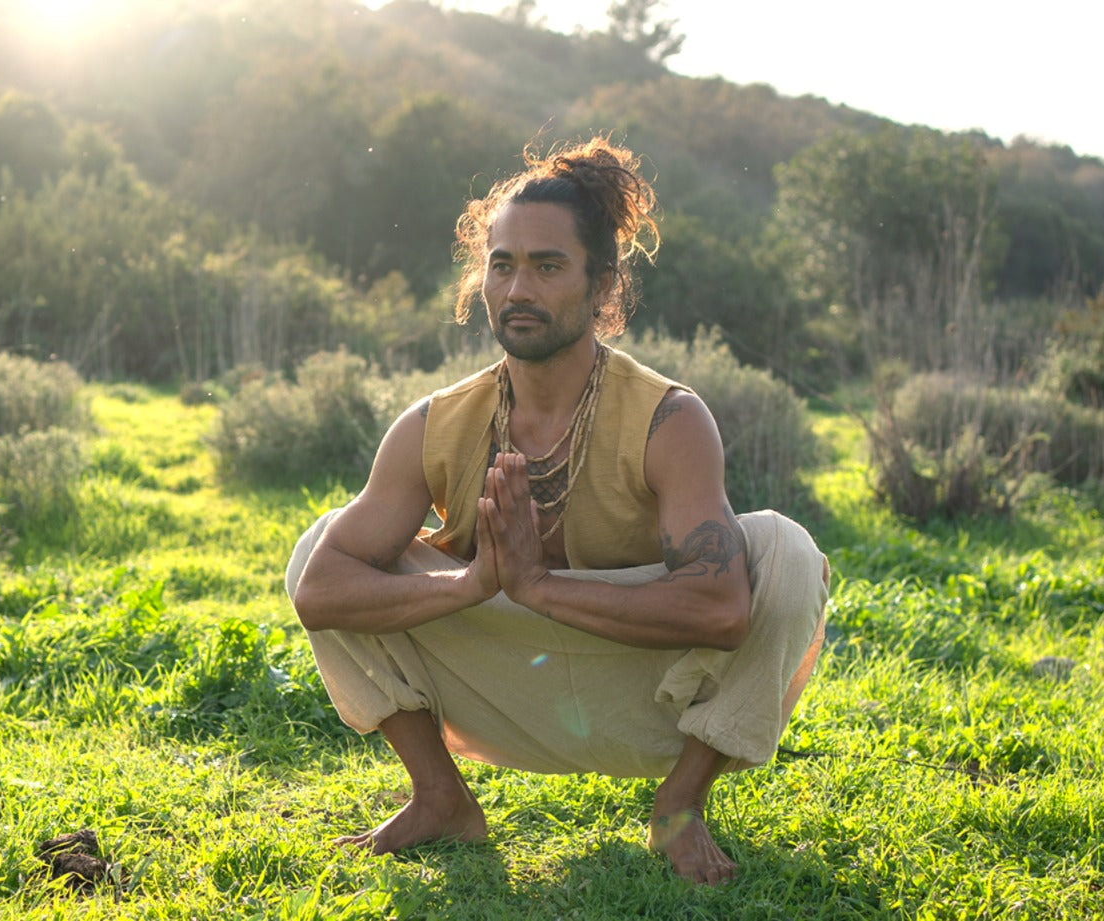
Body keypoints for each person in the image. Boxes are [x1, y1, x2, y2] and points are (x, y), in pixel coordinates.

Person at [285, 137, 829, 886]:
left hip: (649, 690)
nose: (517, 290)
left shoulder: (670, 419)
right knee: (326, 545)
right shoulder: (434, 423)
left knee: (788, 552)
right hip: (506, 678)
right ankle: (441, 796)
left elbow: (722, 610)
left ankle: (679, 805)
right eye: (502, 264)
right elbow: (320, 594)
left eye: (547, 266)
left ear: (602, 286)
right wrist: (474, 584)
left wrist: (539, 585)